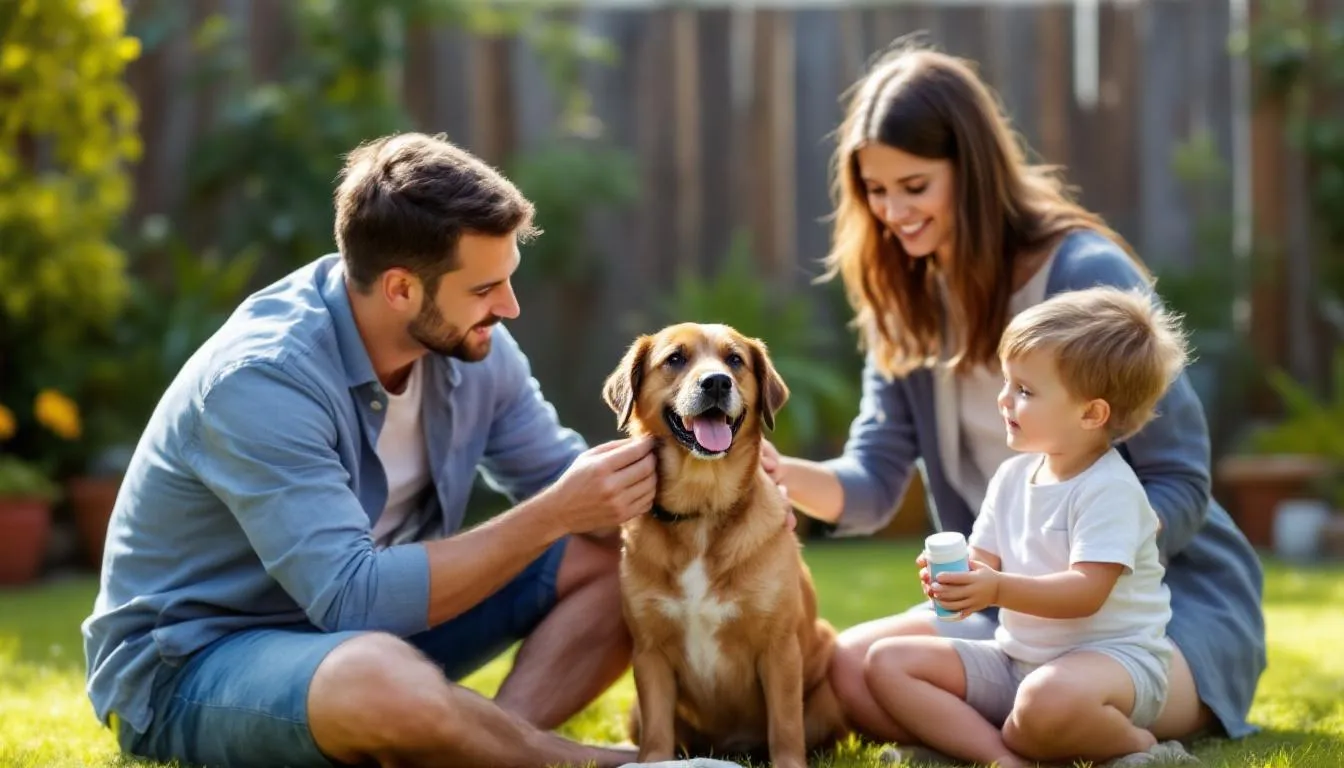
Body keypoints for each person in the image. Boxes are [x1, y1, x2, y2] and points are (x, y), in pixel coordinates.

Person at [82, 131, 674, 768]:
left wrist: (718, 517)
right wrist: (557, 512)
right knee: (375, 677)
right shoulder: (262, 379)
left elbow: (574, 489)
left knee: (632, 562)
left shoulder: (474, 348)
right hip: (195, 664)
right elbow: (350, 599)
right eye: (483, 290)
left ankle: (482, 747)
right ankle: (604, 765)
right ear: (400, 289)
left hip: (371, 640)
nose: (509, 307)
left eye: (507, 279)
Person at [758, 42, 1266, 750]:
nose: (892, 212)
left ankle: (1058, 719)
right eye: (875, 191)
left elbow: (1180, 478)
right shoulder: (903, 304)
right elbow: (873, 483)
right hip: (1012, 614)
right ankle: (1017, 742)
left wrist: (1074, 567)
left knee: (1037, 699)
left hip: (1153, 614)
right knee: (845, 671)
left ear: (970, 173)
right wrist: (776, 475)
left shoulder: (1084, 278)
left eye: (914, 185)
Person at [864, 286, 1199, 768]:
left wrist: (995, 589)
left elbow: (1086, 592)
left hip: (1111, 665)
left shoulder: (1110, 489)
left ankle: (1145, 749)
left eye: (1024, 390)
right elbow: (986, 558)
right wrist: (959, 579)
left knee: (1041, 706)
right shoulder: (1014, 475)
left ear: (1091, 413)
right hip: (1019, 661)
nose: (1003, 400)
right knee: (888, 662)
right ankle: (1005, 760)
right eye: (1006, 383)